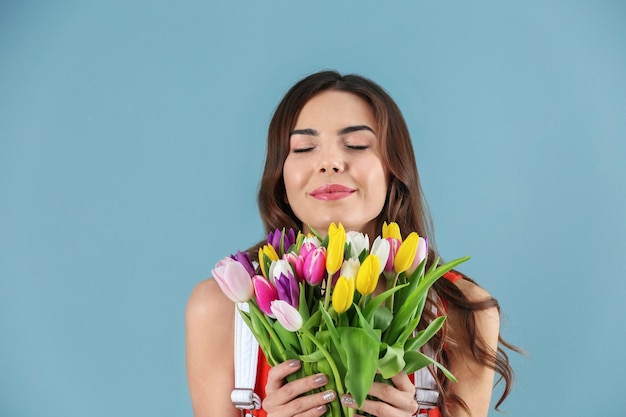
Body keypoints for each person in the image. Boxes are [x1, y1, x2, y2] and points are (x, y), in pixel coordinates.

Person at [186, 70, 518, 417]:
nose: (330, 163)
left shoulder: (462, 312)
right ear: (280, 175)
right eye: (303, 147)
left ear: (394, 169)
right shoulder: (221, 310)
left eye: (357, 145)